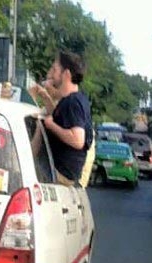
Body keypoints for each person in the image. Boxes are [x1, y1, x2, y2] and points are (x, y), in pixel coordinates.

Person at [33, 51, 94, 187]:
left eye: (55, 69)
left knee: (18, 171)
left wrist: (50, 125)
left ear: (66, 74)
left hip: (59, 174)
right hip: (62, 173)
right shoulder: (75, 99)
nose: (52, 74)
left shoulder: (73, 102)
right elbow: (61, 119)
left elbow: (78, 140)